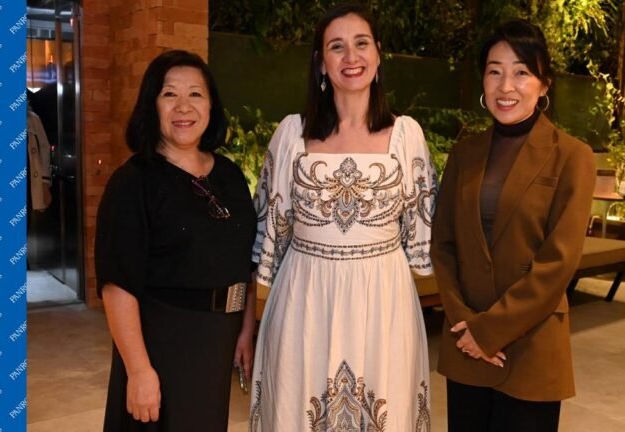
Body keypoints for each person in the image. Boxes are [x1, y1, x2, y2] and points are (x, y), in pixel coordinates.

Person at [247, 3, 437, 431]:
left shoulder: (407, 136)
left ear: (379, 53)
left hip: (384, 301)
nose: (351, 57)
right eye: (337, 46)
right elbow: (270, 232)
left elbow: (420, 236)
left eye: (361, 43)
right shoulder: (291, 134)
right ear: (321, 62)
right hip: (305, 298)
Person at [431, 20, 596, 431]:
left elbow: (558, 262)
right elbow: (443, 245)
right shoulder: (464, 154)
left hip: (531, 345)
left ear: (544, 84)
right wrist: (465, 325)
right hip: (466, 343)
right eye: (495, 71)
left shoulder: (572, 156)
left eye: (521, 72)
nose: (506, 86)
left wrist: (489, 332)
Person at [95, 50, 256, 431]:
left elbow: (245, 261)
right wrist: (139, 370)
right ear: (151, 105)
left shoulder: (230, 176)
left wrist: (246, 329)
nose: (184, 106)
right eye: (169, 94)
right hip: (163, 341)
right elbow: (117, 285)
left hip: (218, 340)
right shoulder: (134, 181)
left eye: (196, 94)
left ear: (211, 105)